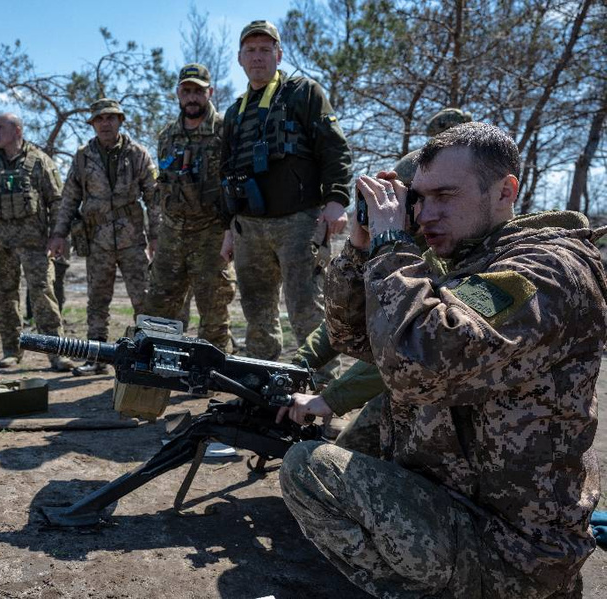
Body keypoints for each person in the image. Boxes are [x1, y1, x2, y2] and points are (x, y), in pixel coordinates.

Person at [279, 122, 606, 597]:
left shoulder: (545, 270)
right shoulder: (469, 260)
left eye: (446, 196)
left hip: (510, 548)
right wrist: (362, 248)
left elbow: (421, 363)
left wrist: (395, 248)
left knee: (308, 469)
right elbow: (355, 337)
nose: (427, 214)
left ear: (505, 191)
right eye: (419, 199)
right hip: (459, 497)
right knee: (361, 435)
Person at [285, 107, 474, 453]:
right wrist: (297, 365)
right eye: (416, 199)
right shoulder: (405, 238)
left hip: (451, 395)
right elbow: (352, 320)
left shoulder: (468, 254)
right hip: (408, 381)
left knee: (351, 457)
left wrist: (331, 398)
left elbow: (417, 351)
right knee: (347, 448)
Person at [219, 20, 352, 361]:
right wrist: (228, 229)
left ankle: (322, 388)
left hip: (299, 221)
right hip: (248, 226)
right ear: (239, 58)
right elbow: (227, 169)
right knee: (257, 313)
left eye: (266, 50)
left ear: (279, 54)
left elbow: (335, 149)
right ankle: (262, 381)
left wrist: (336, 199)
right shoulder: (234, 112)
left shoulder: (304, 93)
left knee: (307, 309)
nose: (258, 57)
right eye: (251, 51)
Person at [48, 98, 158, 376]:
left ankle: (148, 357)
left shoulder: (138, 154)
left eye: (111, 118)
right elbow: (70, 197)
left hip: (133, 239)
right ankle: (97, 357)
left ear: (120, 121)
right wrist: (59, 234)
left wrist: (157, 236)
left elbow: (154, 198)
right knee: (97, 300)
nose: (105, 123)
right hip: (97, 240)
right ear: (93, 124)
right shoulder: (83, 157)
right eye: (99, 119)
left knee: (143, 299)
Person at [0, 113, 73, 371]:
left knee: (43, 296)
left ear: (17, 130)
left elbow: (57, 201)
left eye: (0, 128)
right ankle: (11, 352)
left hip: (35, 245)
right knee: (6, 297)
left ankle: (56, 352)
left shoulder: (40, 162)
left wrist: (56, 235)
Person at [145, 63, 236, 351]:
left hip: (212, 232)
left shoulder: (225, 131)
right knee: (159, 305)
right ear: (178, 94)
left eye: (198, 91)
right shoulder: (167, 136)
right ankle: (156, 372)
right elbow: (163, 186)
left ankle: (213, 376)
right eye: (187, 91)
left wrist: (232, 231)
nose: (192, 97)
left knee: (214, 309)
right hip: (172, 232)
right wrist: (157, 233)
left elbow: (236, 184)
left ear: (210, 92)